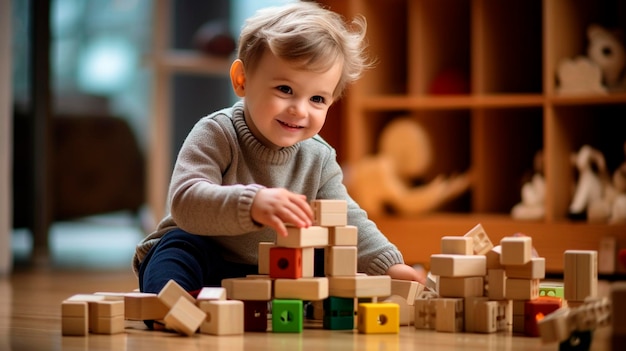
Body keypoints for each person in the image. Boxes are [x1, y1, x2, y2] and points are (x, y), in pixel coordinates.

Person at [132, 1, 424, 300]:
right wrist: (252, 203)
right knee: (176, 250)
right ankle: (176, 305)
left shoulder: (319, 157)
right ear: (241, 80)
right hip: (210, 256)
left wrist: (391, 265)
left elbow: (349, 220)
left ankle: (294, 306)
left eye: (317, 99)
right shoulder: (217, 132)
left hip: (274, 267)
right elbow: (185, 202)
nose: (299, 110)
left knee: (329, 256)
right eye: (285, 89)